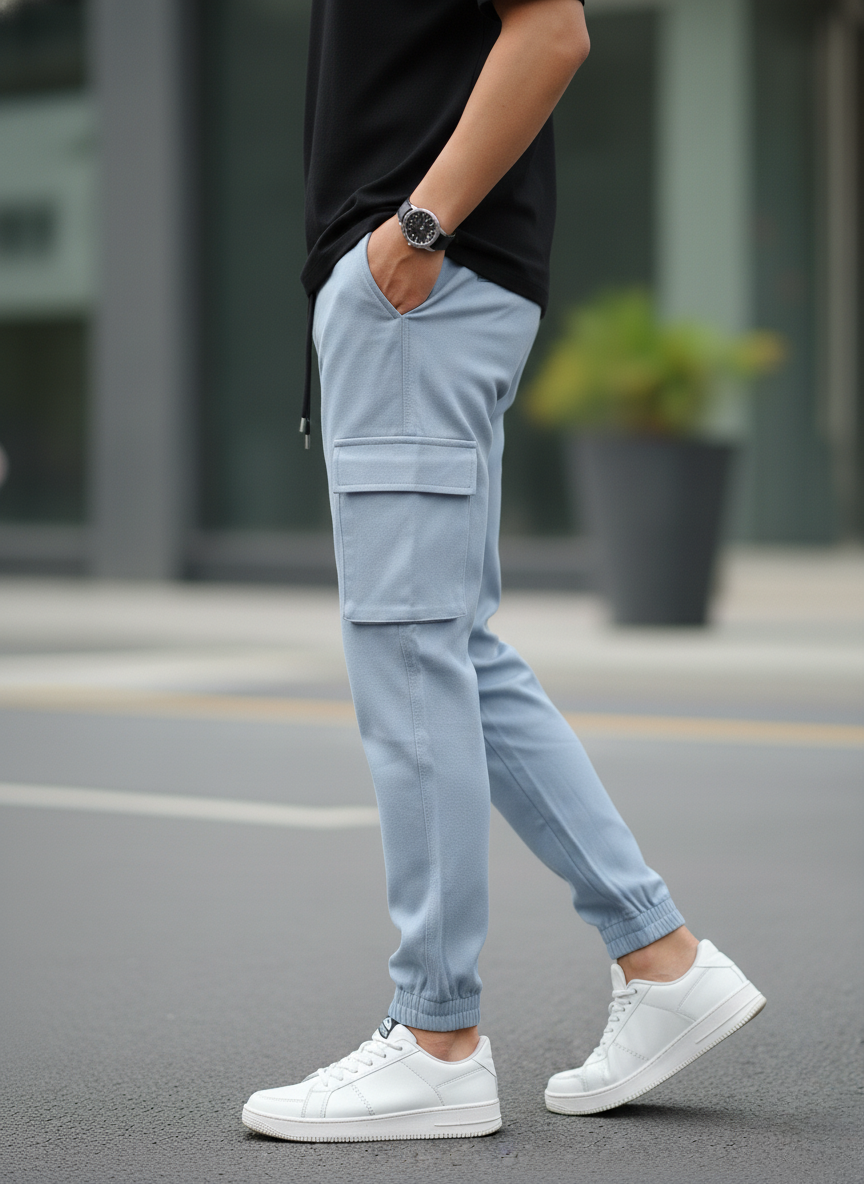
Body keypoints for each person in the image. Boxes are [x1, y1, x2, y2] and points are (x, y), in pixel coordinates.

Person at [242, 0, 765, 1142]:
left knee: (412, 651)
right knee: (452, 646)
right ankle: (661, 957)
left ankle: (436, 1038)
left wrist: (412, 234)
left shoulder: (418, 256)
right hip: (414, 291)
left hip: (418, 285)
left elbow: (553, 28)